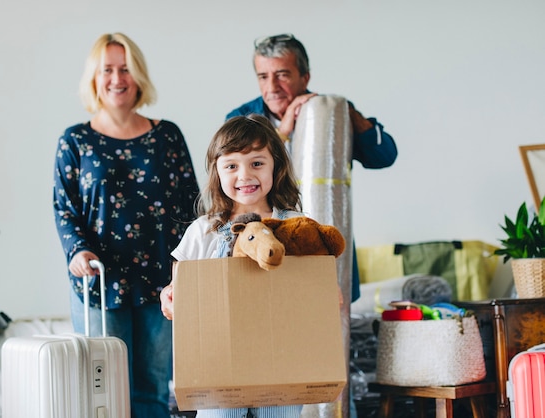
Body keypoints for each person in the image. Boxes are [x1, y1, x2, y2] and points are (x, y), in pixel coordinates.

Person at [53, 32, 200, 418]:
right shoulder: (75, 141)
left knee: (152, 389)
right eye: (108, 70)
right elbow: (64, 207)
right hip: (100, 281)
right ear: (94, 79)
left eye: (126, 69)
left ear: (138, 77)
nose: (117, 78)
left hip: (161, 279)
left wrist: (193, 267)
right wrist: (77, 250)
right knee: (103, 391)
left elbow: (192, 204)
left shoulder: (167, 135)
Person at [226, 33, 398, 303]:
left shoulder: (327, 114)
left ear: (305, 77)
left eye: (282, 74)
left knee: (328, 317)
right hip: (264, 237)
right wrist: (281, 134)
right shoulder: (241, 119)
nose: (272, 86)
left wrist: (347, 114)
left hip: (321, 233)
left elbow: (384, 156)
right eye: (263, 76)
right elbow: (231, 178)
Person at [160, 114, 308, 418]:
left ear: (275, 165)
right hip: (218, 360)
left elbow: (313, 283)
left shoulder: (295, 226)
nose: (244, 175)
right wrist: (170, 295)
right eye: (231, 166)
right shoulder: (203, 230)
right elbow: (181, 285)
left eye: (257, 163)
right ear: (217, 171)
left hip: (281, 359)